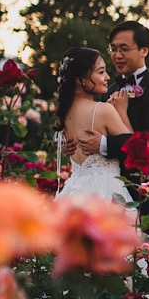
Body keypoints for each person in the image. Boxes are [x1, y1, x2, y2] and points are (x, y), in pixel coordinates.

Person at [64, 21, 149, 210]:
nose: (117, 56)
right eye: (113, 49)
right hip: (103, 190)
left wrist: (103, 144)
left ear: (144, 50)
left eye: (124, 49)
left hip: (141, 189)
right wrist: (73, 144)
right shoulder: (108, 90)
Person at [53, 47, 134, 205]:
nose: (107, 77)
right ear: (81, 79)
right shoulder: (103, 110)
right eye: (101, 72)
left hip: (73, 191)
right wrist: (121, 111)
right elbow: (134, 148)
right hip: (105, 191)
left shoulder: (65, 114)